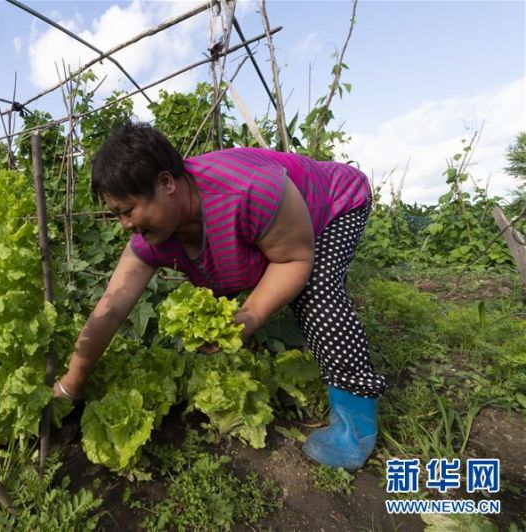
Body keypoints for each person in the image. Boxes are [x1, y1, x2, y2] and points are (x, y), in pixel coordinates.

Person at [53, 122, 386, 470]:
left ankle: (355, 421)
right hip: (281, 224)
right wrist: (71, 383)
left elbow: (292, 259)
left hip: (335, 203)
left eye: (128, 210)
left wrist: (252, 317)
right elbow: (110, 308)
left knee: (316, 290)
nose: (124, 224)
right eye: (116, 214)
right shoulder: (155, 235)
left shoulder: (248, 189)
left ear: (166, 183)